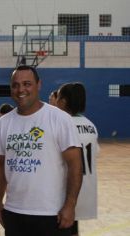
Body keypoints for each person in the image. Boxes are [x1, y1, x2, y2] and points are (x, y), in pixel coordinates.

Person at [0, 65, 83, 236]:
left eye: (27, 84)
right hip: (14, 212)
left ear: (38, 84)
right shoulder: (2, 124)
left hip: (51, 214)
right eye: (16, 85)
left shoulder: (60, 119)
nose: (21, 89)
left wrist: (70, 205)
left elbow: (75, 164)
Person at [56, 82, 99, 236]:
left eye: (58, 97)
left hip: (67, 189)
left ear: (64, 101)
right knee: (73, 228)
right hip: (85, 189)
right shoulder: (91, 126)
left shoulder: (62, 124)